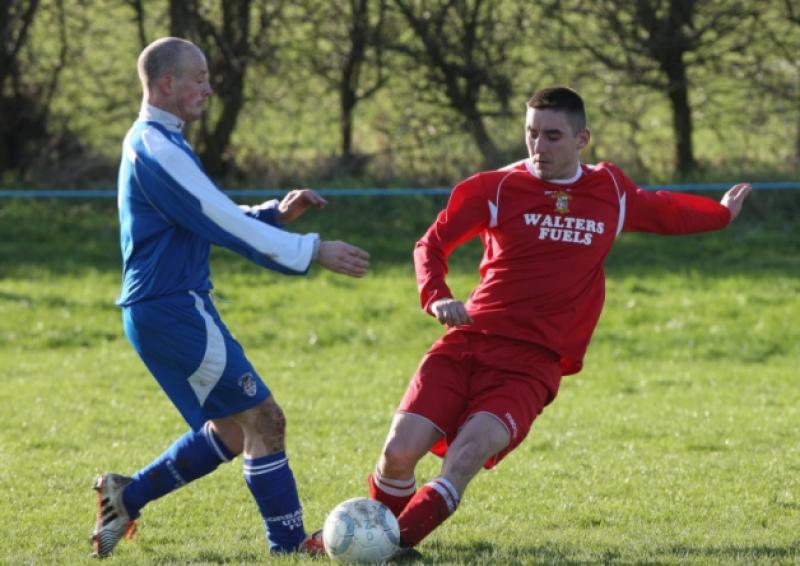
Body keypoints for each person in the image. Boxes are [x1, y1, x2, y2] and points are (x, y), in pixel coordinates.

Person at [367, 86, 752, 556]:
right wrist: (437, 296)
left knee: (466, 456)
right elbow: (431, 243)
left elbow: (663, 211)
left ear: (581, 139)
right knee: (397, 453)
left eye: (552, 136)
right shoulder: (495, 188)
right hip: (468, 341)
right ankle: (373, 537)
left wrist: (719, 214)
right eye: (532, 133)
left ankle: (385, 546)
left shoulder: (610, 190)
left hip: (532, 364)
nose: (539, 146)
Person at [90, 37, 370, 558]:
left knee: (235, 430)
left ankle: (127, 496)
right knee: (265, 420)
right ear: (167, 83)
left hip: (163, 308)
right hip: (173, 307)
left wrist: (272, 214)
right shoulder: (155, 146)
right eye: (199, 78)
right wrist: (312, 250)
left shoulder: (159, 140)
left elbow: (203, 210)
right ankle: (289, 546)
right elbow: (215, 218)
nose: (209, 88)